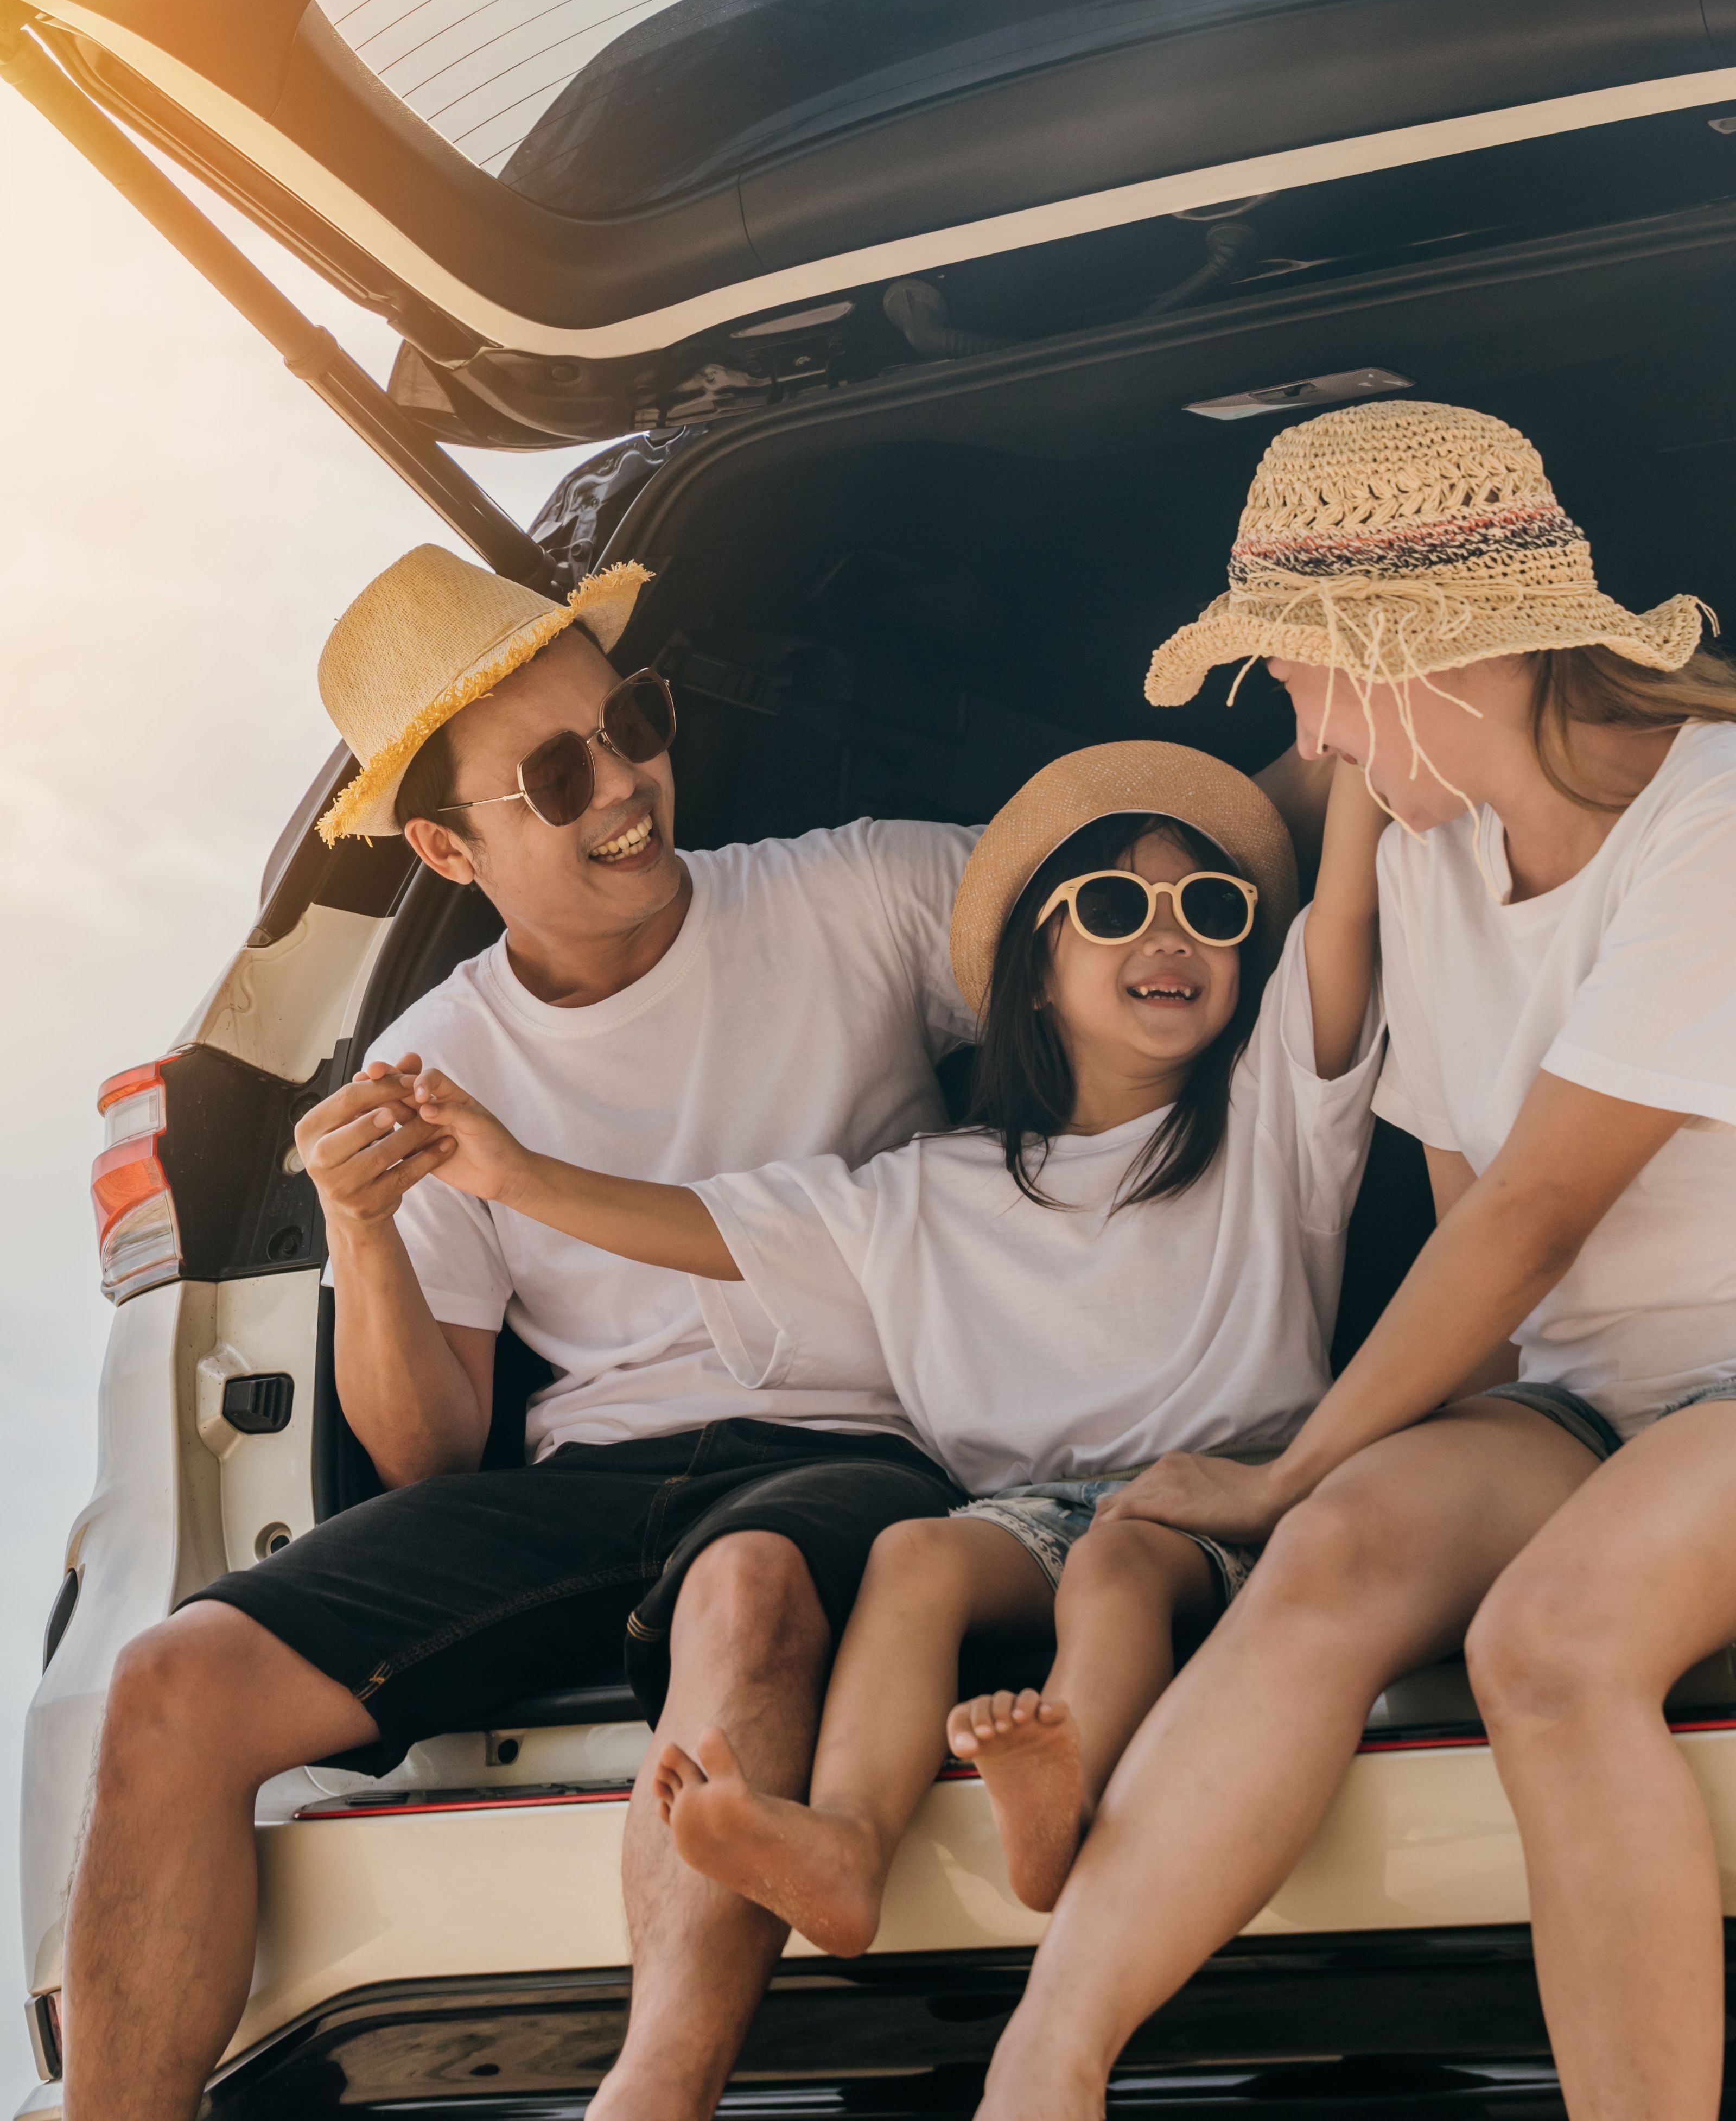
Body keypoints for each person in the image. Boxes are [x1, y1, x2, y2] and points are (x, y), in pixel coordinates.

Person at [61, 544, 982, 2121]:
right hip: (585, 1489)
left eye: (631, 719)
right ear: (446, 843)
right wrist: (361, 1233)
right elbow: (433, 1451)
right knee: (166, 1684)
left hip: (856, 1451)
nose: (625, 781)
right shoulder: (436, 1053)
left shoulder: (863, 892)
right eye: (559, 773)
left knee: (748, 1588)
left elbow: (1146, 906)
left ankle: (654, 2098)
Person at [968, 398, 1736, 2121]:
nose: (1301, 730)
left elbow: (1540, 1211)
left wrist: (1288, 1459)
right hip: (1585, 1397)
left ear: (1411, 656)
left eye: (1300, 678)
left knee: (1544, 1641)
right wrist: (1312, 1489)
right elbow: (1485, 1256)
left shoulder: (1721, 817)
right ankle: (1043, 2072)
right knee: (1329, 1562)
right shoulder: (1433, 861)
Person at [395, 738, 1388, 1953]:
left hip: (1225, 1506)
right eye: (1118, 905)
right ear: (1027, 973)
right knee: (916, 1555)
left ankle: (1059, 1802)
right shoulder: (928, 1189)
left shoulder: (1277, 1120)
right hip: (1022, 1513)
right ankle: (847, 1844)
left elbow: (1343, 913)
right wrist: (519, 1175)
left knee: (1116, 1568)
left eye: (1214, 910)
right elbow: (713, 1229)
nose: (1170, 936)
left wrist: (1358, 740)